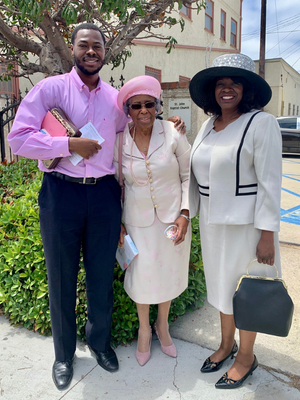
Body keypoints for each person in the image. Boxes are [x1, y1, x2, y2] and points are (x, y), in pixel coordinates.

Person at [8, 23, 185, 390]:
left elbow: (140, 124)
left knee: (102, 275)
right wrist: (68, 146)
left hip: (103, 194)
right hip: (61, 193)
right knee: (61, 276)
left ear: (106, 52)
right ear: (73, 49)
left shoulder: (116, 99)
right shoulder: (50, 88)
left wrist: (170, 125)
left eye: (97, 46)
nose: (91, 51)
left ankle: (100, 344)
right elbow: (19, 138)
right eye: (84, 45)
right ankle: (63, 354)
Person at [188, 53, 282, 389]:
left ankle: (246, 357)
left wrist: (268, 235)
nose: (227, 89)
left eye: (235, 83)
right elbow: (194, 172)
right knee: (222, 290)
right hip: (212, 225)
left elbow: (271, 183)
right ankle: (226, 345)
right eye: (221, 84)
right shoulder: (206, 127)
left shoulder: (261, 123)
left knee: (246, 294)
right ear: (213, 91)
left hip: (247, 228)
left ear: (247, 89)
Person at [114, 76, 191, 366]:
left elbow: (188, 175)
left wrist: (184, 213)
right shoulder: (119, 139)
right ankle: (144, 330)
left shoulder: (173, 132)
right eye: (137, 106)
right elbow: (114, 183)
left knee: (167, 272)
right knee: (142, 276)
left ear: (157, 106)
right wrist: (116, 223)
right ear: (128, 110)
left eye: (149, 104)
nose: (144, 110)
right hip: (135, 221)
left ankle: (163, 325)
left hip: (172, 221)